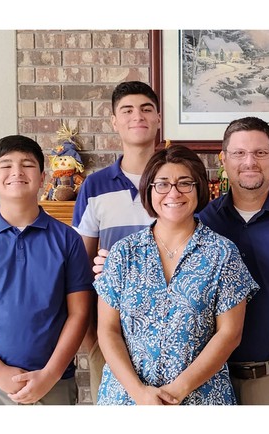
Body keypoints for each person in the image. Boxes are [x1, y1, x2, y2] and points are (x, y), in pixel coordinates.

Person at [94, 117, 269, 405]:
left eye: (260, 152)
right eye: (239, 153)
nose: (249, 161)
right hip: (202, 381)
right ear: (223, 159)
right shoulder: (201, 219)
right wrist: (111, 264)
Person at [94, 144, 259, 405]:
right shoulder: (124, 252)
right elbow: (107, 330)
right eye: (162, 184)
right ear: (149, 190)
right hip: (127, 398)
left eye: (185, 183)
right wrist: (140, 393)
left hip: (201, 399)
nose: (173, 192)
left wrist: (175, 392)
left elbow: (229, 334)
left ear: (198, 188)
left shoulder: (222, 253)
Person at [0, 135, 93, 405]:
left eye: (27, 165)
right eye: (6, 165)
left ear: (42, 178)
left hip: (52, 382)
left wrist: (50, 375)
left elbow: (79, 313)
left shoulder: (68, 240)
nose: (16, 172)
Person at [72, 81, 160, 403]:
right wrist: (91, 339)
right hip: (111, 336)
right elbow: (79, 267)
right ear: (114, 121)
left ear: (158, 119)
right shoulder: (94, 186)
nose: (138, 116)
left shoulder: (176, 182)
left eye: (146, 109)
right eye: (127, 110)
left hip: (174, 337)